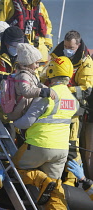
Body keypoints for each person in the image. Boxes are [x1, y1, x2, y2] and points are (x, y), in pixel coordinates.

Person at [12, 56, 79, 206]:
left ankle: (41, 180)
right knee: (55, 190)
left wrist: (12, 121)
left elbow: (26, 122)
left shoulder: (46, 94)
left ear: (50, 71)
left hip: (38, 145)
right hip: (61, 151)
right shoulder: (73, 100)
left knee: (13, 169)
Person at [49, 30, 93, 186]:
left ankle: (72, 180)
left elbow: (86, 89)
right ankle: (54, 178)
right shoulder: (56, 55)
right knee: (55, 143)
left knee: (72, 145)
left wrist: (63, 89)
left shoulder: (85, 61)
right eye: (66, 46)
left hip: (75, 109)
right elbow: (46, 74)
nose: (67, 49)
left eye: (71, 47)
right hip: (55, 107)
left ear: (78, 45)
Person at [0, 0, 53, 75]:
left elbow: (47, 27)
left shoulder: (40, 5)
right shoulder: (6, 3)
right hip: (20, 55)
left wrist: (47, 46)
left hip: (41, 57)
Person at [7, 43, 56, 121]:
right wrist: (43, 91)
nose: (38, 66)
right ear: (28, 63)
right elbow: (26, 91)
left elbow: (37, 85)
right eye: (36, 63)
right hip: (21, 111)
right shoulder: (23, 75)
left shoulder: (30, 74)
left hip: (25, 109)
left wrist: (49, 89)